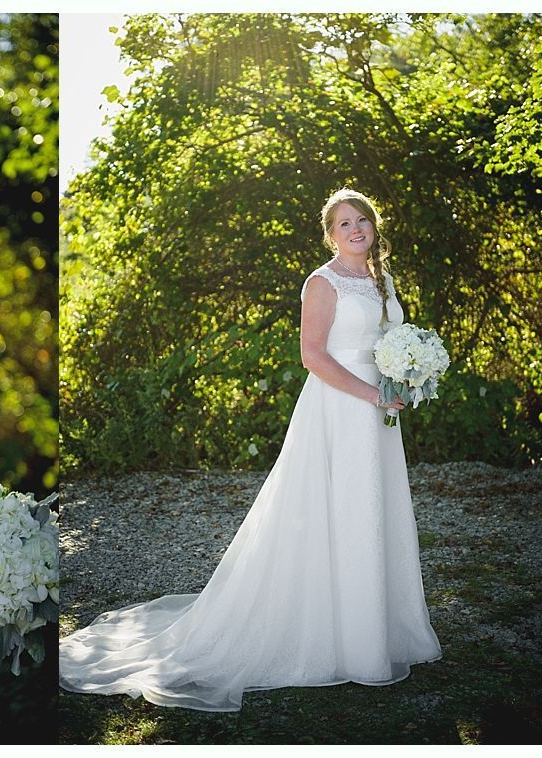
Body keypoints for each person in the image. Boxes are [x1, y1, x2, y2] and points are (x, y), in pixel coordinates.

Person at [59, 188, 442, 712]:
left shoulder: (383, 280)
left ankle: (375, 631)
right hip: (337, 410)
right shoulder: (322, 282)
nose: (355, 230)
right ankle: (334, 635)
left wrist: (405, 377)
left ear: (374, 227)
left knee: (372, 513)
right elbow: (313, 356)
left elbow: (387, 344)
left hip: (378, 414)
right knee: (333, 511)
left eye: (362, 221)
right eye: (344, 224)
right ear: (330, 234)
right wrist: (373, 391)